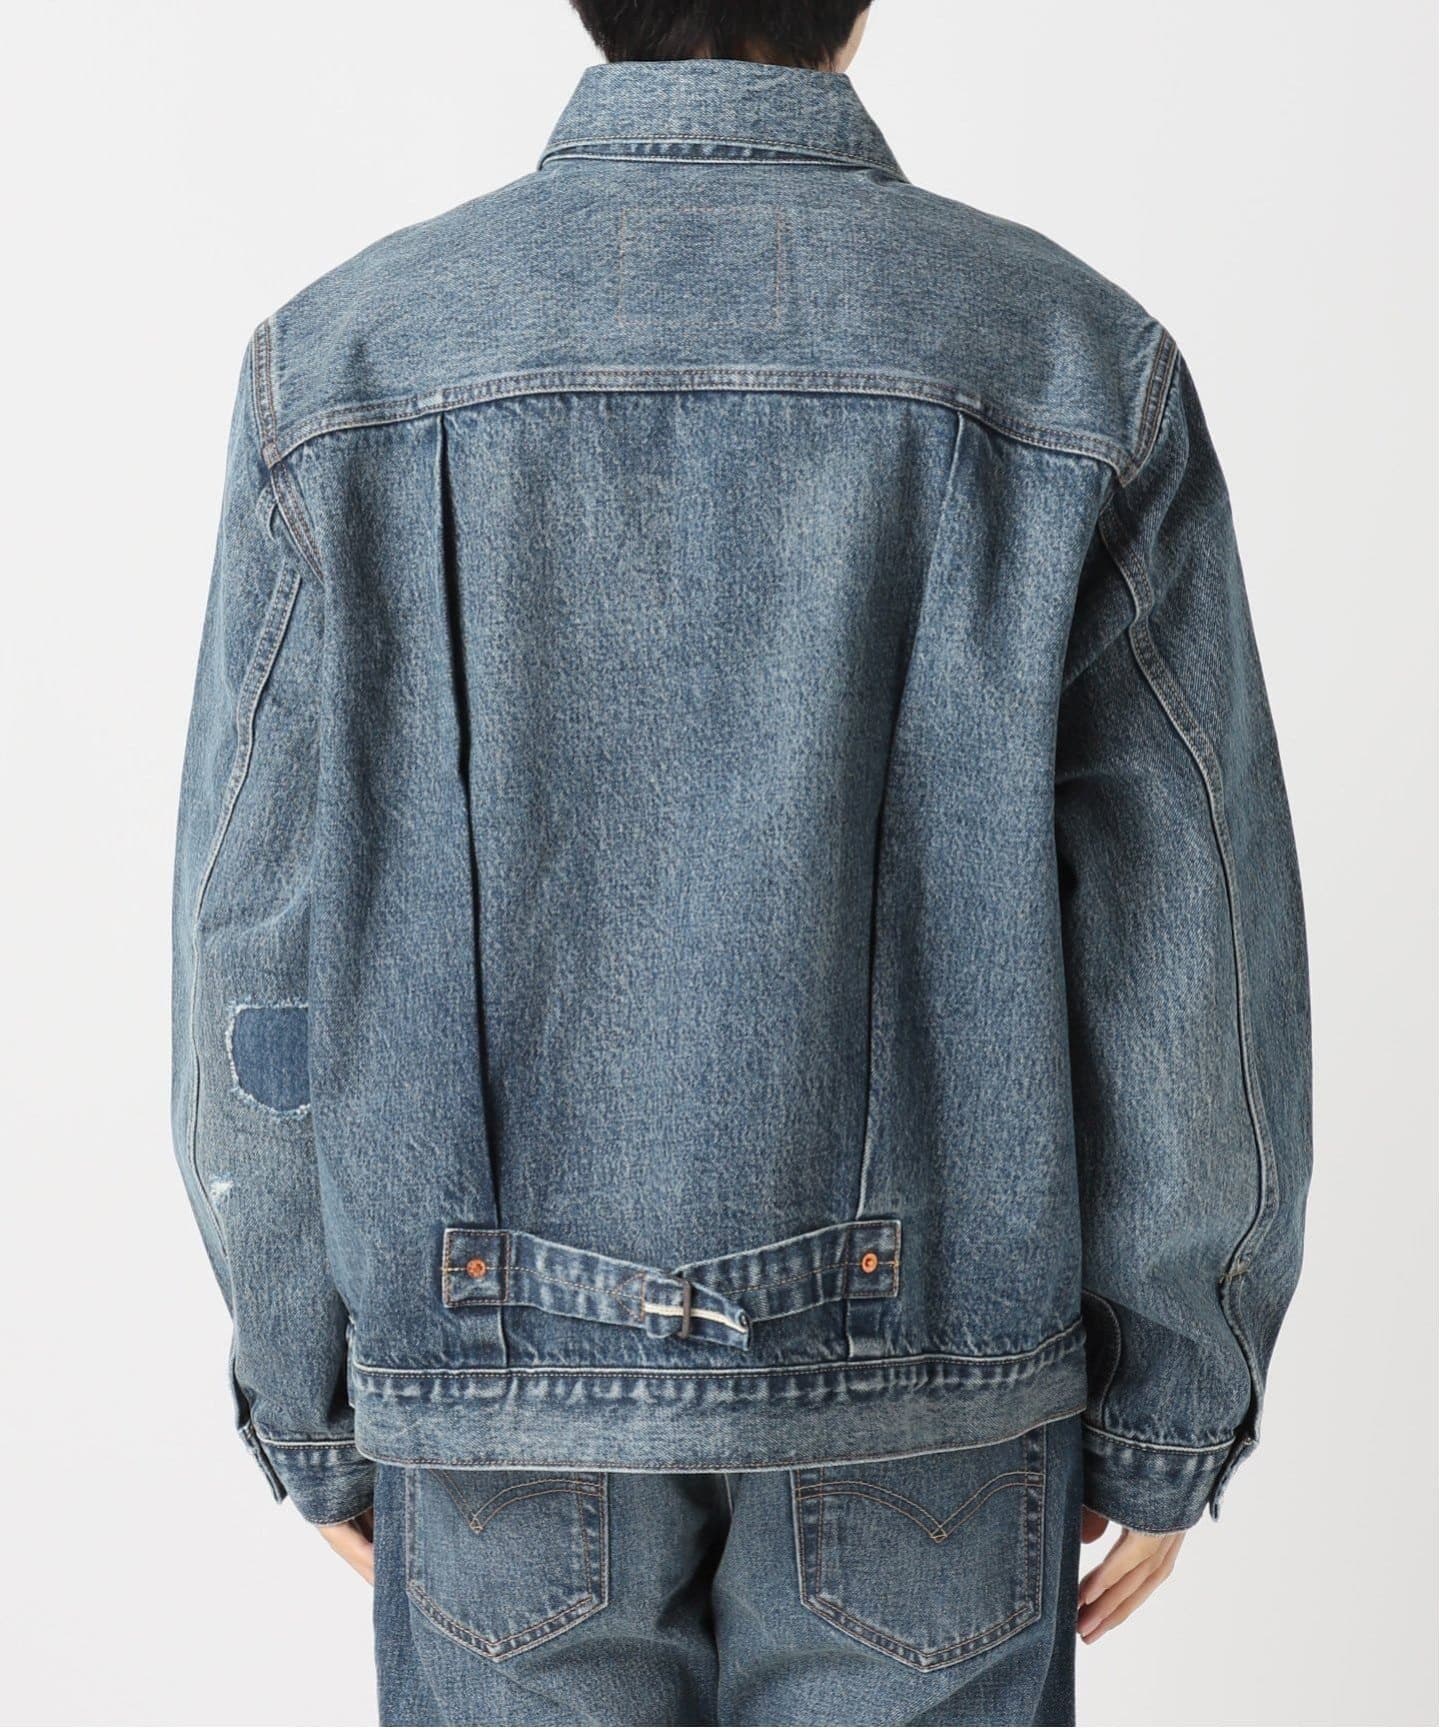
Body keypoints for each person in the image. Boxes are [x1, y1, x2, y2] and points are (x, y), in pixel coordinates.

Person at [170, 3, 1312, 1722]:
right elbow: (1186, 947)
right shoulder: (1077, 363)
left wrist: (309, 1394)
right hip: (938, 1390)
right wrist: (1174, 1399)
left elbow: (252, 948)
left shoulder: (337, 372)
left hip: (488, 1398)